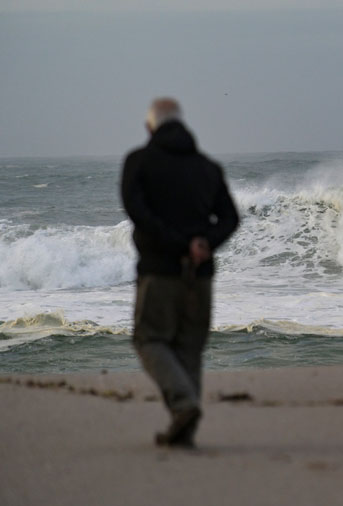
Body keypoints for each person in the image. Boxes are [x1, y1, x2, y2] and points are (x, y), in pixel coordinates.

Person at [121, 98, 239, 448]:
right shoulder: (208, 167)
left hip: (160, 272)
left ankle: (184, 406)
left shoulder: (139, 162)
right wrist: (204, 243)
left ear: (150, 126)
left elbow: (137, 211)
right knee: (189, 348)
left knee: (149, 339)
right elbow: (230, 218)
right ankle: (184, 431)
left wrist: (176, 243)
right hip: (200, 276)